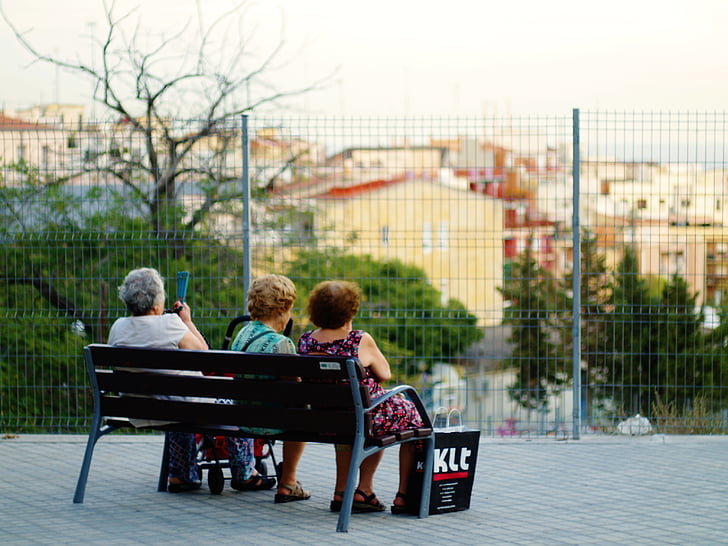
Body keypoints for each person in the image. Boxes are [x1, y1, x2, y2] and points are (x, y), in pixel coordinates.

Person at [108, 267, 274, 493]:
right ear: (157, 303)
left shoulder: (118, 327)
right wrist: (187, 321)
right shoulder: (170, 324)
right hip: (182, 407)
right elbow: (204, 356)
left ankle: (181, 474)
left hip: (138, 408)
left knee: (178, 404)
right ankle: (244, 473)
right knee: (233, 403)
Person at [297, 280, 424, 515]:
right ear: (351, 310)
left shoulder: (306, 341)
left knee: (370, 414)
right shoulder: (358, 340)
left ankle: (345, 492)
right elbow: (385, 373)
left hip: (323, 420)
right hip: (359, 417)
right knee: (408, 414)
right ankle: (398, 495)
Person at [230, 274, 310, 503]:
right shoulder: (282, 343)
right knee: (302, 411)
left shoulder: (241, 334)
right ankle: (288, 482)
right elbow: (297, 390)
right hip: (271, 423)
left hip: (243, 418)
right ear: (281, 309)